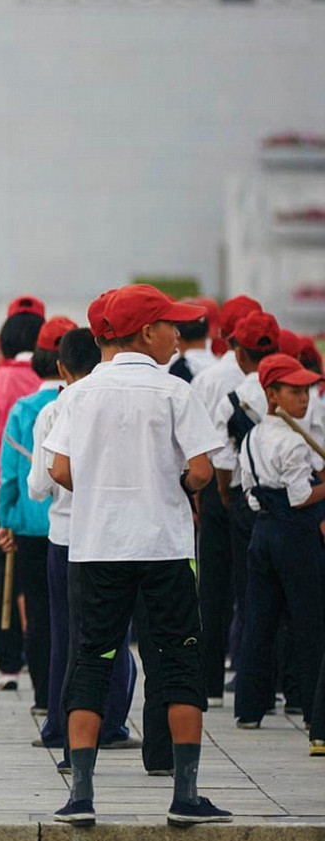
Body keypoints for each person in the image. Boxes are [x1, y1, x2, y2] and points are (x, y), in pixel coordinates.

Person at [46, 285, 231, 827]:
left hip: (97, 547)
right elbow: (201, 470)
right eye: (171, 325)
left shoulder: (80, 394)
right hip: (163, 547)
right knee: (178, 659)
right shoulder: (174, 391)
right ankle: (185, 794)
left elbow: (59, 469)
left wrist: (101, 491)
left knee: (91, 658)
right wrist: (175, 484)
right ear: (147, 332)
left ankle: (81, 794)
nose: (179, 334)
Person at [28, 325, 138, 765]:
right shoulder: (121, 402)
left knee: (65, 636)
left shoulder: (53, 411)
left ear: (61, 368)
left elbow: (38, 485)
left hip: (64, 535)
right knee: (114, 635)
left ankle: (60, 723)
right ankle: (110, 724)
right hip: (111, 534)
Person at [235, 354, 325, 743]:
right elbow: (301, 496)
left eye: (306, 390)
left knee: (259, 620)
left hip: (262, 534)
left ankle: (249, 708)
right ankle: (310, 707)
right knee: (309, 620)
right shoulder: (293, 442)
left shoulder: (252, 437)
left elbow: (249, 493)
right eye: (294, 391)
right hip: (295, 536)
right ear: (272, 395)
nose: (304, 398)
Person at [0, 315, 76, 714]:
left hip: (29, 525)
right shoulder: (80, 404)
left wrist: (6, 518)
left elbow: (10, 472)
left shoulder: (24, 410)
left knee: (39, 610)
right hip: (75, 526)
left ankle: (44, 695)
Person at [190, 295, 262, 706]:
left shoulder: (209, 379)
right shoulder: (280, 377)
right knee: (254, 587)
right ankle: (259, 682)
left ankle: (210, 682)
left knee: (213, 587)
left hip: (220, 486)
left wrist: (201, 492)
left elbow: (196, 440)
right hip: (265, 493)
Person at [0, 296, 44, 690]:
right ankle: (40, 654)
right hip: (48, 493)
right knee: (40, 577)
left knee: (4, 571)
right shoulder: (55, 379)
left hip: (2, 491)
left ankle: (8, 657)